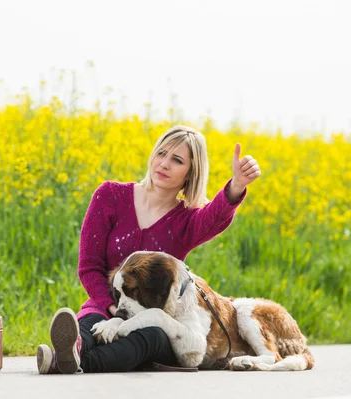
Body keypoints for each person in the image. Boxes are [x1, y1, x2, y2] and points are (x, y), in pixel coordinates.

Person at [36, 125, 261, 374]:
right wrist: (114, 310)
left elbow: (214, 216)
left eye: (176, 160)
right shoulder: (109, 196)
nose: (164, 164)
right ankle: (73, 348)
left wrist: (237, 185)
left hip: (157, 319)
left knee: (148, 339)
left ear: (191, 173)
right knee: (91, 325)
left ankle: (65, 362)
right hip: (106, 306)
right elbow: (89, 267)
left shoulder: (186, 222)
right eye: (161, 153)